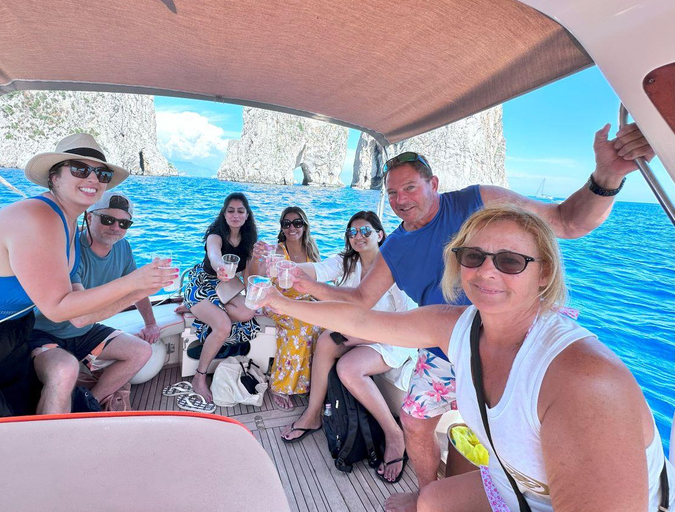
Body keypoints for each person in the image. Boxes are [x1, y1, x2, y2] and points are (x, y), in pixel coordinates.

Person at [287, 123, 656, 511]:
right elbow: (361, 300)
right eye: (392, 192)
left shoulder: (476, 202)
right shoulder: (394, 246)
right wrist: (304, 285)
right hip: (448, 343)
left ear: (435, 184)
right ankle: (428, 492)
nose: (400, 199)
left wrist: (606, 177)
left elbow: (567, 222)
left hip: (515, 336)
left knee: (518, 431)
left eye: (410, 187)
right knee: (414, 420)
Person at [0, 133, 175, 424]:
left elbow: (80, 317)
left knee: (16, 416)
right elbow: (57, 307)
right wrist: (134, 282)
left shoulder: (68, 227)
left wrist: (139, 289)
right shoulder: (39, 216)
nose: (93, 178)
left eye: (102, 173)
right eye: (79, 169)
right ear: (54, 177)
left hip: (3, 332)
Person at [279, 211, 418, 484]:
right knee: (326, 340)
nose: (357, 237)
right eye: (352, 232)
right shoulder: (346, 262)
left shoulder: (395, 270)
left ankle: (394, 434)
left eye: (365, 231)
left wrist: (359, 337)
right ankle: (312, 415)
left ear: (379, 235)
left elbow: (406, 325)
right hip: (358, 333)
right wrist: (286, 269)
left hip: (392, 338)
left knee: (348, 367)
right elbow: (317, 271)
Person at [29, 191, 164, 414]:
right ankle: (48, 441)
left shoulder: (123, 248)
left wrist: (150, 323)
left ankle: (89, 403)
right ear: (90, 217)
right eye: (108, 219)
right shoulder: (70, 249)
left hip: (85, 333)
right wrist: (132, 289)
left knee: (141, 351)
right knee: (64, 371)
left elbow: (138, 291)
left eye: (124, 223)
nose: (116, 227)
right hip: (47, 331)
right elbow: (79, 315)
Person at [182, 192, 259, 403]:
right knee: (223, 326)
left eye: (240, 211)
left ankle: (203, 313)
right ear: (224, 214)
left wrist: (256, 293)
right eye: (231, 210)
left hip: (227, 286)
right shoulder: (215, 235)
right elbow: (214, 253)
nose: (235, 215)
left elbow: (247, 275)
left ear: (247, 215)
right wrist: (220, 267)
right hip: (203, 282)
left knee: (248, 311)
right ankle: (199, 377)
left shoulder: (249, 240)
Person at [249, 206, 322, 410]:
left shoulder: (311, 249)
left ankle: (306, 383)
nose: (292, 228)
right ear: (281, 227)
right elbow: (259, 274)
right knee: (300, 326)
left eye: (297, 223)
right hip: (277, 301)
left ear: (304, 226)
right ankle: (279, 385)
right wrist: (257, 257)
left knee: (324, 325)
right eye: (286, 223)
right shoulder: (278, 250)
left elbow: (319, 279)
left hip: (303, 300)